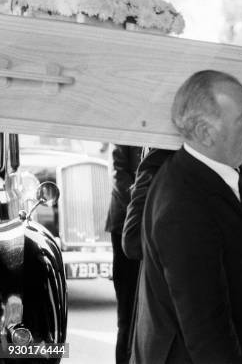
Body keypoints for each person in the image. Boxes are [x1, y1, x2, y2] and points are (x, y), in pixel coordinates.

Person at [130, 70, 242, 364]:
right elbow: (207, 330)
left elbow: (214, 267)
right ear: (204, 132)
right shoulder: (185, 205)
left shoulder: (216, 175)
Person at [105, 144, 142, 364]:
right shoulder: (125, 137)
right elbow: (119, 176)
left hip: (155, 225)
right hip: (125, 226)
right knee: (127, 315)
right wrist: (145, 207)